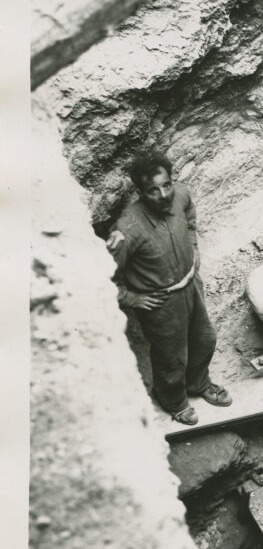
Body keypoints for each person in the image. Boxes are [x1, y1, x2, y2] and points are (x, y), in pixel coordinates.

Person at [106, 154, 230, 425]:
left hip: (191, 284)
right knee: (171, 356)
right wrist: (131, 298)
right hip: (162, 303)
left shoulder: (181, 195)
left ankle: (198, 383)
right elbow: (105, 275)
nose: (163, 195)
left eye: (166, 185)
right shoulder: (128, 228)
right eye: (153, 190)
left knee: (204, 338)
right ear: (141, 192)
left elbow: (190, 217)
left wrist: (194, 246)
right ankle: (173, 400)